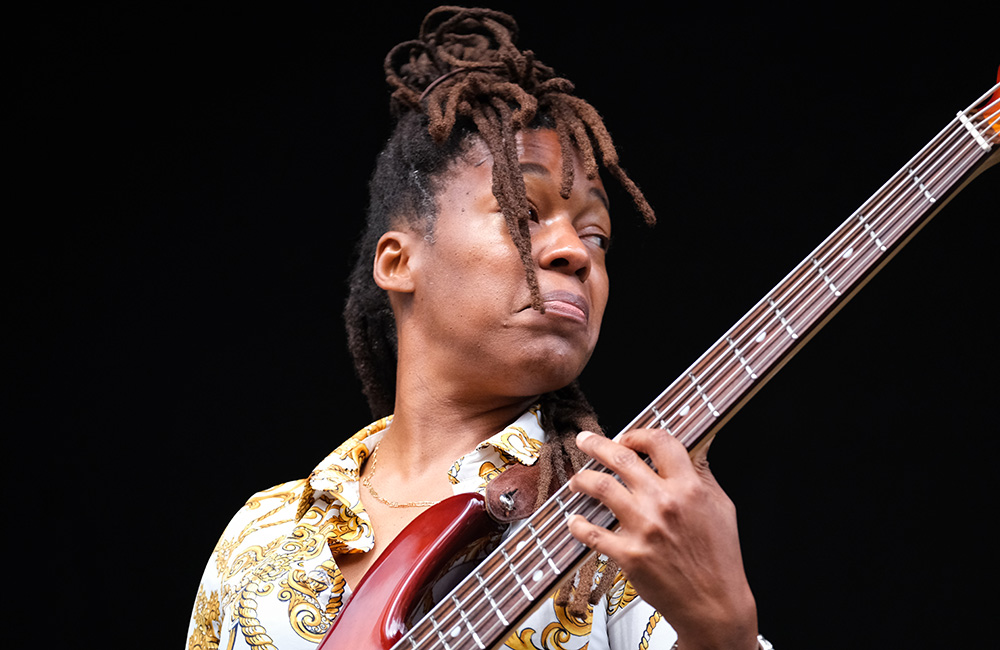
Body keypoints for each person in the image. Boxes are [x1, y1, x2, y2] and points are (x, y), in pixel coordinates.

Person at [185, 7, 769, 649]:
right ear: (399, 261)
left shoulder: (621, 522)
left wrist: (726, 633)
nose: (575, 251)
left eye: (598, 235)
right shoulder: (258, 538)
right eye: (524, 210)